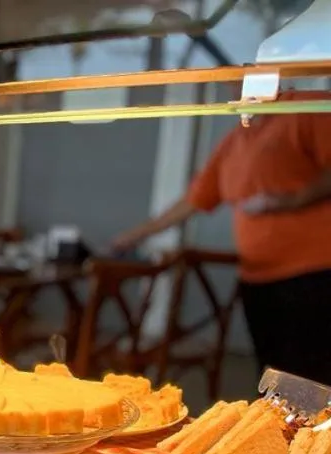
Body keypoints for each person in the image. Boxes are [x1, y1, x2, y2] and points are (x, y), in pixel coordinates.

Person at [112, 91, 331, 384]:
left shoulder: (308, 107)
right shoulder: (234, 142)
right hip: (258, 278)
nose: (236, 88)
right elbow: (194, 199)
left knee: (313, 377)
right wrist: (136, 235)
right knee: (273, 377)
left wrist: (292, 199)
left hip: (313, 275)